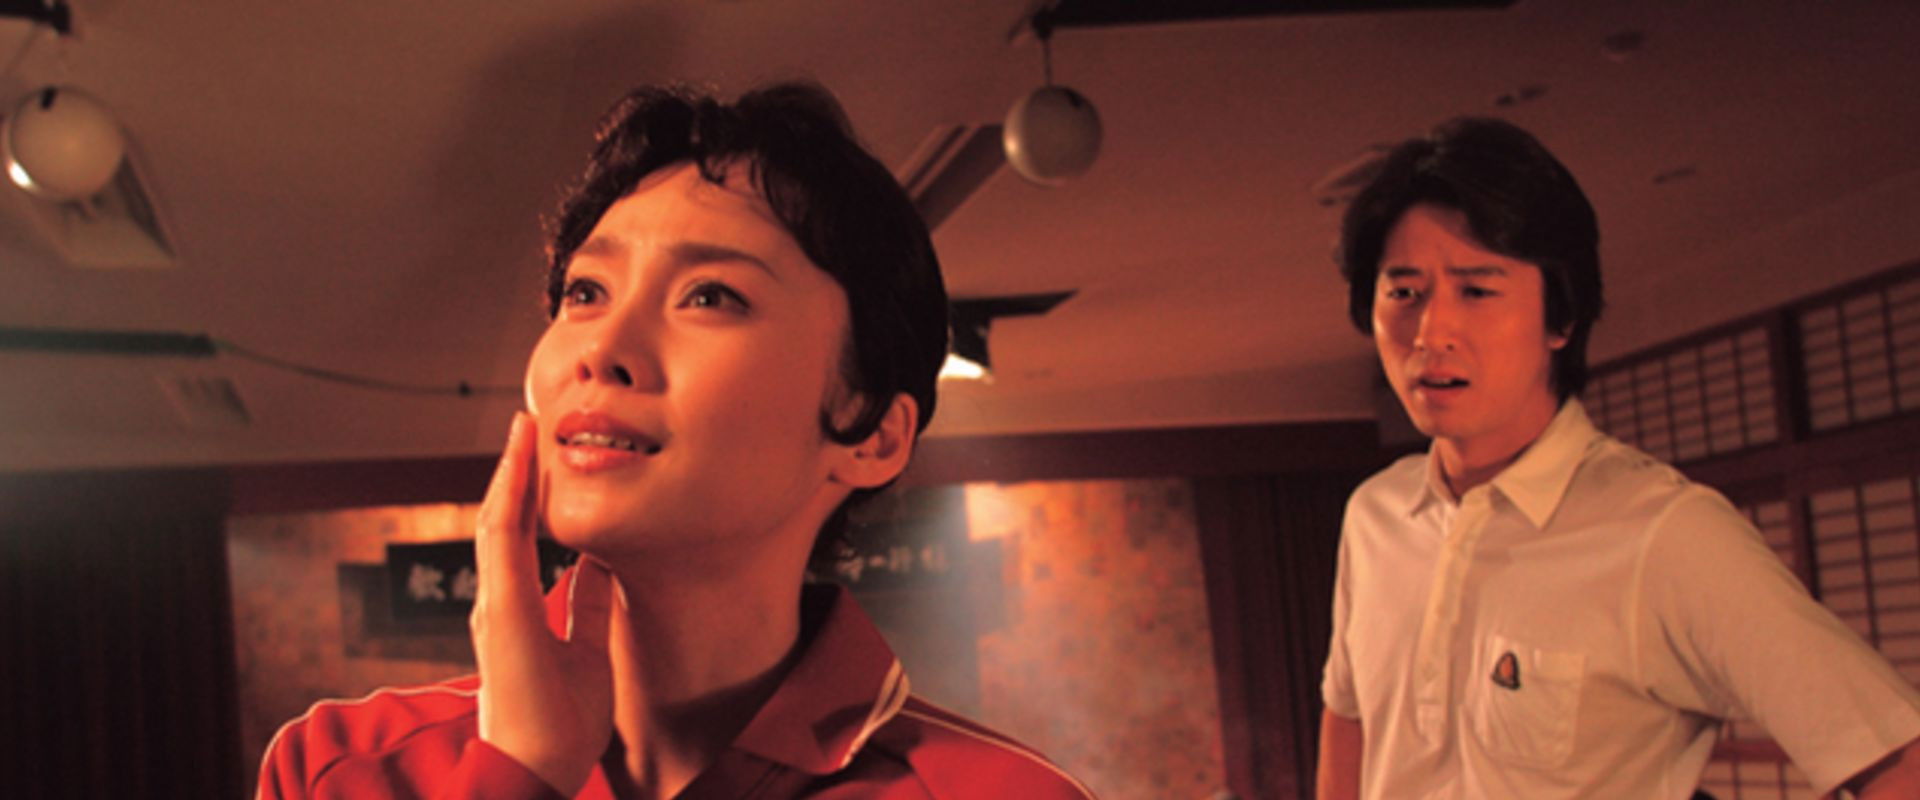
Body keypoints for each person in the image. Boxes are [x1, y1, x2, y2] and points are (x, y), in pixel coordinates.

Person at [257, 83, 1094, 800]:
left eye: (709, 296)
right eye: (585, 292)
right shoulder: (345, 768)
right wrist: (520, 775)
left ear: (872, 433)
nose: (600, 347)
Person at [1316, 117, 1920, 799]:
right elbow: (1349, 715)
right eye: (1404, 293)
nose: (1432, 332)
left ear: (1560, 319)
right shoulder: (1376, 515)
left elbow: (1898, 763)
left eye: (1477, 290)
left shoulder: (1663, 532)